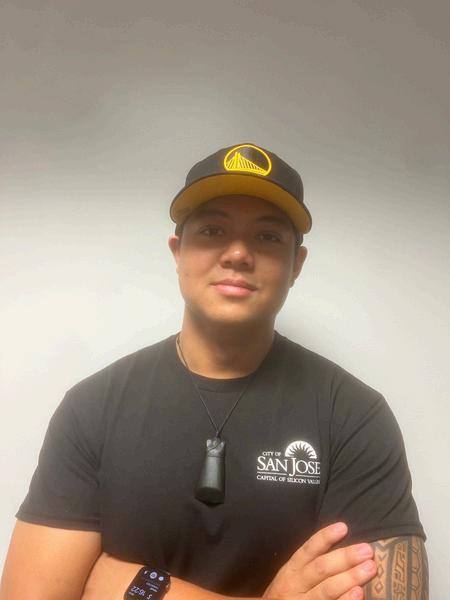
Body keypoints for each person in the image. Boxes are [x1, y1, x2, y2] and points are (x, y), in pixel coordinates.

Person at [0, 143, 428, 600]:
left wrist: (139, 588)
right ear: (178, 252)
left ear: (296, 264)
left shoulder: (354, 416)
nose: (238, 253)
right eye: (212, 230)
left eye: (268, 237)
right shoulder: (93, 407)